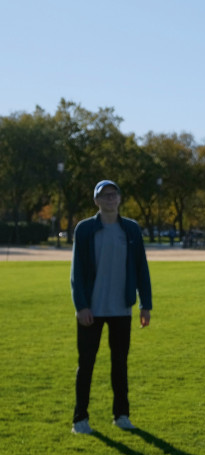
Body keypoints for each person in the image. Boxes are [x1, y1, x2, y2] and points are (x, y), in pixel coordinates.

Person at [70, 180, 152, 434]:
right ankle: (80, 419)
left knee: (120, 364)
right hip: (90, 312)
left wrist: (145, 304)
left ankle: (121, 415)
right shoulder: (84, 229)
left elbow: (141, 269)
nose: (110, 199)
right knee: (87, 365)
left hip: (121, 310)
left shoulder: (130, 229)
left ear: (119, 199)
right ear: (96, 201)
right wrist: (81, 306)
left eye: (113, 194)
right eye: (104, 195)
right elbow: (77, 273)